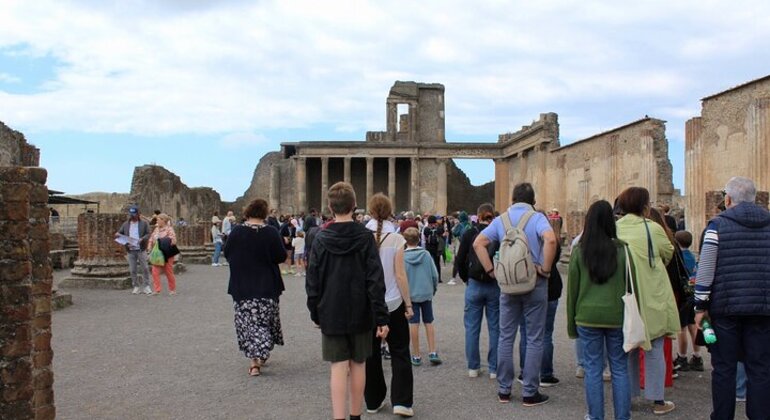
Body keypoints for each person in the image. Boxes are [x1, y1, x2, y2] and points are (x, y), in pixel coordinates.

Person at [306, 183, 389, 420]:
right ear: (354, 206)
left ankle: (338, 417)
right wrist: (381, 316)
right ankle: (355, 416)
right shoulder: (366, 237)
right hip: (361, 310)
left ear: (330, 207)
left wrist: (315, 312)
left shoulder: (321, 238)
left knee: (338, 367)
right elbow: (375, 280)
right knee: (359, 365)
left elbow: (313, 281)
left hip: (331, 310)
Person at [473, 182, 557, 407]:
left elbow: (478, 243)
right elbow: (550, 239)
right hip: (534, 282)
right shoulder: (537, 218)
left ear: (511, 199)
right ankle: (530, 391)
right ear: (533, 200)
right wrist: (546, 269)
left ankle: (504, 389)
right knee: (534, 337)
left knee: (506, 336)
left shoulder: (501, 220)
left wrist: (491, 270)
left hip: (508, 284)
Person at [694, 176, 770, 419]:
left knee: (724, 368)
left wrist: (700, 305)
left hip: (725, 309)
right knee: (760, 368)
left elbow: (706, 269)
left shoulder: (716, 226)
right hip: (763, 309)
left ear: (727, 199)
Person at [615, 187, 678, 415]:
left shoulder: (615, 228)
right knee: (655, 347)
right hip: (652, 293)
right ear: (645, 206)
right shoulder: (653, 228)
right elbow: (668, 252)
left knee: (628, 346)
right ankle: (657, 400)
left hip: (625, 293)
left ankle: (628, 396)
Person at [567, 200, 632, 420]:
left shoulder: (579, 251)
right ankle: (623, 417)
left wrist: (571, 325)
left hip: (586, 316)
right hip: (617, 316)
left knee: (593, 370)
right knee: (620, 368)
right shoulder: (623, 250)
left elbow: (572, 292)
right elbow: (631, 287)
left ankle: (595, 416)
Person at [365, 193, 415, 418]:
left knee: (371, 354)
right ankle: (402, 402)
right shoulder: (396, 239)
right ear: (389, 211)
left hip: (369, 304)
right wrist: (409, 304)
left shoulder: (362, 236)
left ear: (371, 211)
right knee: (400, 352)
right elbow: (400, 275)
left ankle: (373, 400)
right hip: (393, 302)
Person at [224, 198, 286, 378]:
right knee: (263, 321)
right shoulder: (271, 232)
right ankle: (258, 356)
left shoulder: (236, 232)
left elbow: (228, 254)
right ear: (265, 213)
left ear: (247, 212)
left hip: (242, 285)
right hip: (267, 284)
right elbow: (281, 256)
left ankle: (255, 359)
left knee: (248, 323)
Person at [456, 203, 499, 378]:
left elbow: (459, 260)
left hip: (474, 283)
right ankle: (494, 369)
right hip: (494, 283)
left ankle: (473, 367)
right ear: (492, 217)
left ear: (478, 216)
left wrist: (467, 279)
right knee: (495, 328)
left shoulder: (469, 233)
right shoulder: (497, 234)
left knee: (472, 327)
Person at [519, 238, 562, 387]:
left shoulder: (523, 240)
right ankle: (545, 374)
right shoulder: (552, 241)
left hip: (525, 287)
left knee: (525, 332)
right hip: (550, 287)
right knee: (546, 334)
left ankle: (525, 371)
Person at [402, 227, 440, 367]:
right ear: (419, 239)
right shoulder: (426, 255)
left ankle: (416, 355)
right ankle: (432, 351)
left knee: (414, 324)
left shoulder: (403, 257)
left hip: (411, 296)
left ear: (405, 240)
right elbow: (434, 275)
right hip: (426, 293)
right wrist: (433, 289)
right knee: (429, 322)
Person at [673, 230, 703, 373]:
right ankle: (697, 356)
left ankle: (682, 356)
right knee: (693, 326)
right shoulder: (692, 256)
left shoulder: (678, 257)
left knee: (682, 328)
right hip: (694, 294)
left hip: (683, 296)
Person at [115, 206, 152, 295]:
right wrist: (117, 234)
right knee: (132, 269)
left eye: (134, 214)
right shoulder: (126, 224)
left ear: (138, 214)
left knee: (145, 268)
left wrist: (142, 239)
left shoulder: (144, 223)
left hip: (141, 249)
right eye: (131, 214)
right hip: (130, 250)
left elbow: (148, 234)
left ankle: (146, 286)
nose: (133, 216)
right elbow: (120, 232)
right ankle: (136, 286)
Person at [147, 213, 178, 295]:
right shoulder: (156, 229)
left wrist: (164, 240)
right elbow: (151, 238)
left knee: (168, 271)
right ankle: (157, 290)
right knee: (154, 271)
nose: (157, 221)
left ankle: (172, 289)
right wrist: (149, 246)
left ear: (163, 221)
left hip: (167, 252)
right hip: (157, 252)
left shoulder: (169, 229)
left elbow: (173, 240)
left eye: (158, 219)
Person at [422, 215, 445, 284]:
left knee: (429, 262)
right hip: (437, 248)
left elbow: (425, 236)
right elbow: (441, 232)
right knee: (437, 263)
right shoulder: (438, 228)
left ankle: (429, 277)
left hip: (429, 247)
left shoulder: (426, 229)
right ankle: (438, 278)